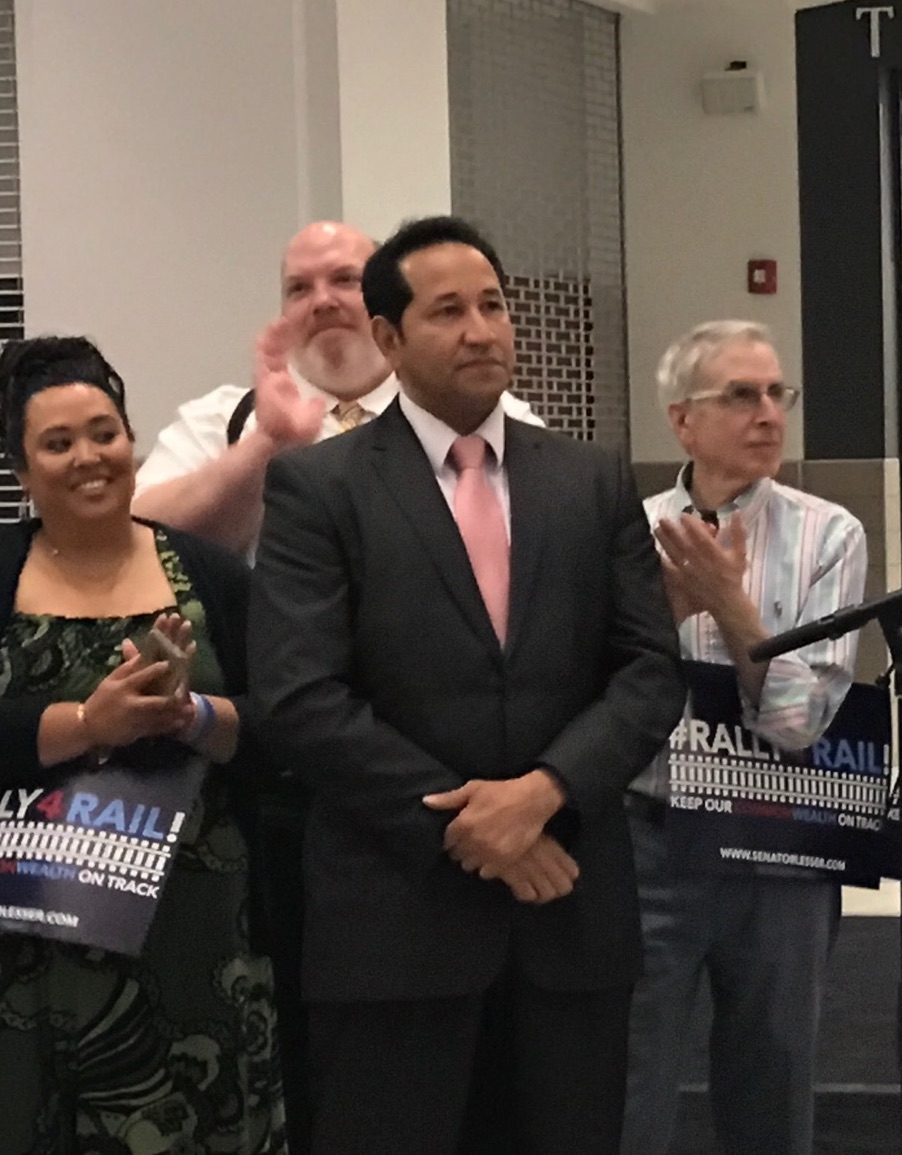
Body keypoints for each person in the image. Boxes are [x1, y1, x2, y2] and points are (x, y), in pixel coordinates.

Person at [248, 215, 682, 1155]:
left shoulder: (589, 480)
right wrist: (467, 826)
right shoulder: (319, 490)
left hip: (568, 917)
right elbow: (299, 697)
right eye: (448, 311)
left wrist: (544, 792)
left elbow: (648, 670)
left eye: (492, 305)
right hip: (395, 931)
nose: (482, 329)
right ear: (390, 338)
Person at [0, 337, 285, 1151]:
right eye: (58, 443)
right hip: (5, 944)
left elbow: (285, 729)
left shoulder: (215, 575)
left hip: (190, 941)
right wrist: (91, 724)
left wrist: (193, 716)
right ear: (21, 470)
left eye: (105, 432)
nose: (88, 457)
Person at [617, 322, 868, 1155]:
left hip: (779, 842)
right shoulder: (625, 529)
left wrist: (729, 606)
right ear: (682, 419)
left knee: (774, 1077)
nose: (768, 413)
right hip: (650, 838)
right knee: (629, 1080)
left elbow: (799, 719)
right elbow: (596, 689)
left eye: (777, 393)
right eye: (741, 395)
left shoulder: (830, 535)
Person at [133, 220, 539, 556]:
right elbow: (131, 537)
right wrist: (265, 448)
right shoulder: (226, 419)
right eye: (299, 289)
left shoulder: (487, 417)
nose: (322, 302)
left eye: (345, 280)